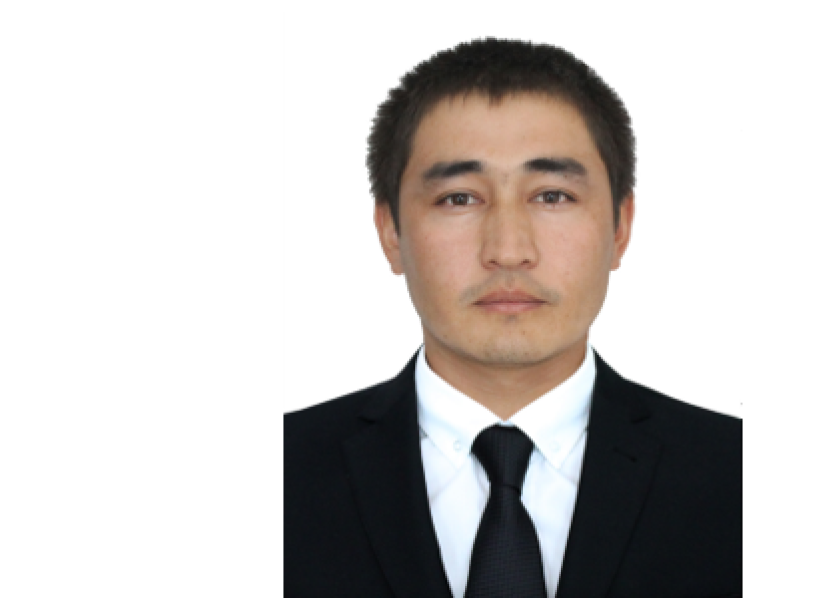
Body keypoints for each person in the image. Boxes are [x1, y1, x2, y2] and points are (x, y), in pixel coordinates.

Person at [284, 37, 741, 598]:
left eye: (552, 196)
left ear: (621, 227)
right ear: (391, 232)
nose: (507, 251)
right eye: (459, 198)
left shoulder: (740, 476)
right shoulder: (278, 475)